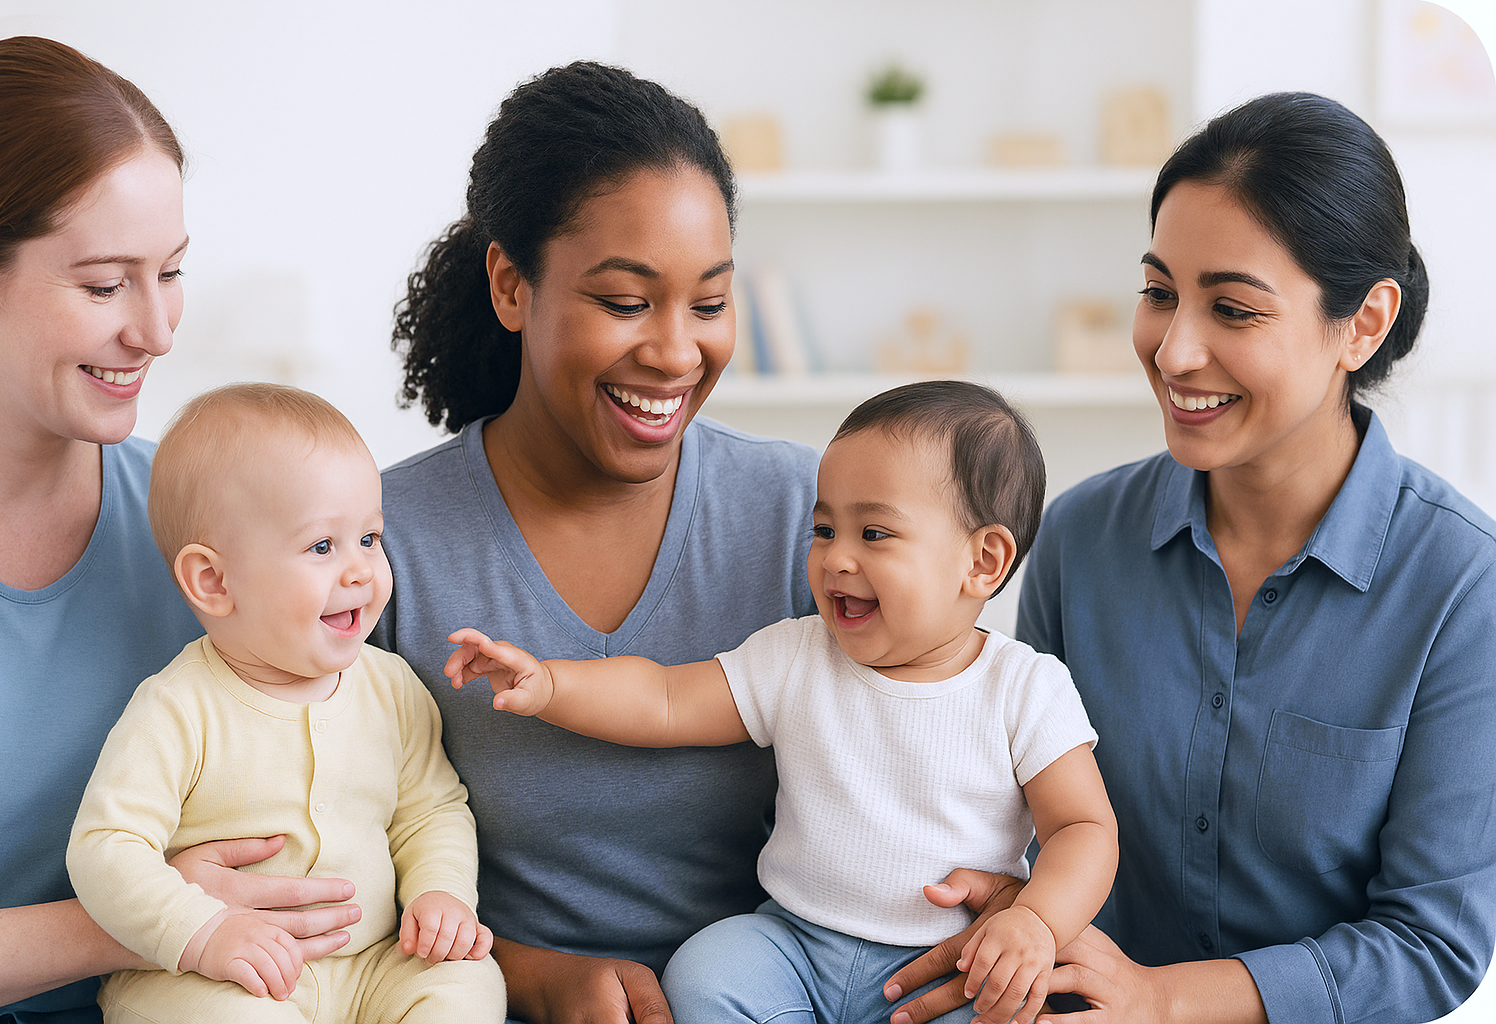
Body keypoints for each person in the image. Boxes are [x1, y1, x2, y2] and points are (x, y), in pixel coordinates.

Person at [375, 61, 1018, 1024]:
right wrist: (537, 979)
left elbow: (959, 738)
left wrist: (1014, 897)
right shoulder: (383, 545)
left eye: (710, 304)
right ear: (512, 286)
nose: (678, 353)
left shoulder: (810, 517)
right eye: (627, 303)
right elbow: (327, 860)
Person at [1010, 92, 1496, 1024]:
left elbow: (1432, 943)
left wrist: (1159, 1002)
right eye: (1159, 294)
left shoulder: (1458, 585)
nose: (1174, 350)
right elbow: (1029, 832)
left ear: (1363, 323)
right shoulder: (1078, 540)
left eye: (1232, 308)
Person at [447, 380, 1119, 1024]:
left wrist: (1035, 921)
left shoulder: (1024, 686)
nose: (836, 560)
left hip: (951, 962)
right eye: (824, 530)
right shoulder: (799, 655)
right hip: (795, 944)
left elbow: (1083, 830)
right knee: (705, 972)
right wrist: (554, 685)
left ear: (984, 561)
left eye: (874, 534)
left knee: (1010, 1005)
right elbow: (667, 698)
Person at [0, 37, 358, 1024]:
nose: (157, 329)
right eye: (104, 285)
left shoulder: (209, 533)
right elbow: (195, 911)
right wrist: (154, 917)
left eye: (170, 272)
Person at [66, 383, 506, 1023]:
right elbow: (106, 846)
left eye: (370, 538)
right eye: (322, 547)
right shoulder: (179, 708)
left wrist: (441, 895)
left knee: (467, 984)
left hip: (373, 963)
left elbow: (430, 811)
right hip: (215, 976)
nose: (359, 571)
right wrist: (202, 932)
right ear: (213, 581)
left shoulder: (392, 689)